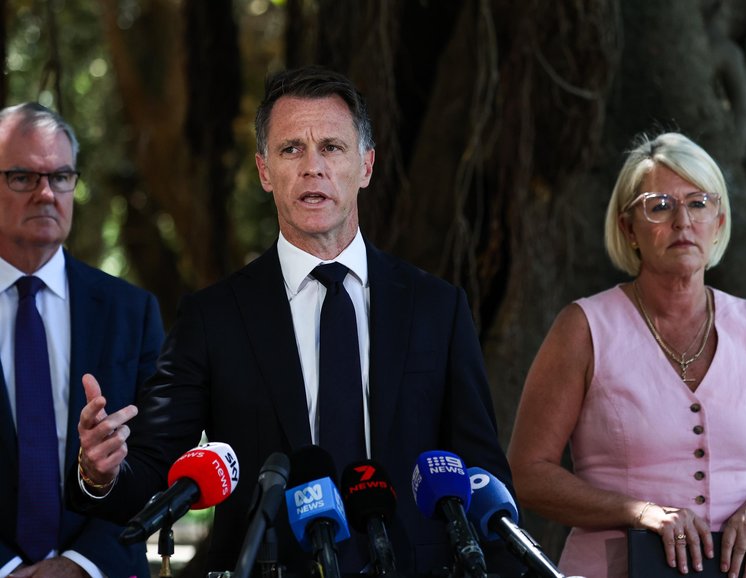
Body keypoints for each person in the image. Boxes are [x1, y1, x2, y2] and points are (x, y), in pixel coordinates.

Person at [69, 66, 519, 576]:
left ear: (366, 166)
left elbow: (483, 478)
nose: (313, 168)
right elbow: (151, 471)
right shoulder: (213, 316)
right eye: (290, 150)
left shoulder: (437, 307)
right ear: (264, 172)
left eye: (332, 147)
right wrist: (98, 472)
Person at [507, 131, 746, 578]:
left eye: (698, 203)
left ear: (720, 221)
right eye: (660, 206)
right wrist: (637, 511)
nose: (682, 221)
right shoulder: (584, 328)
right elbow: (526, 473)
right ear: (629, 228)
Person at [0, 103, 164, 578]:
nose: (46, 193)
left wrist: (79, 566)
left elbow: (155, 460)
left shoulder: (131, 312)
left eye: (61, 176)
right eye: (22, 177)